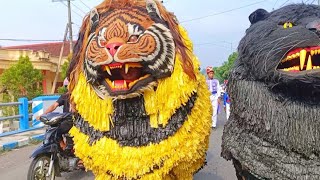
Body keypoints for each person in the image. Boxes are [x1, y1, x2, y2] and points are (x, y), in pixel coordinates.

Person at [36, 78, 73, 151]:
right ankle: (62, 146)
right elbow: (54, 106)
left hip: (77, 121)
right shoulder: (64, 96)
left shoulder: (80, 97)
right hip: (66, 120)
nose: (69, 88)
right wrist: (43, 114)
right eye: (67, 86)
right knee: (54, 129)